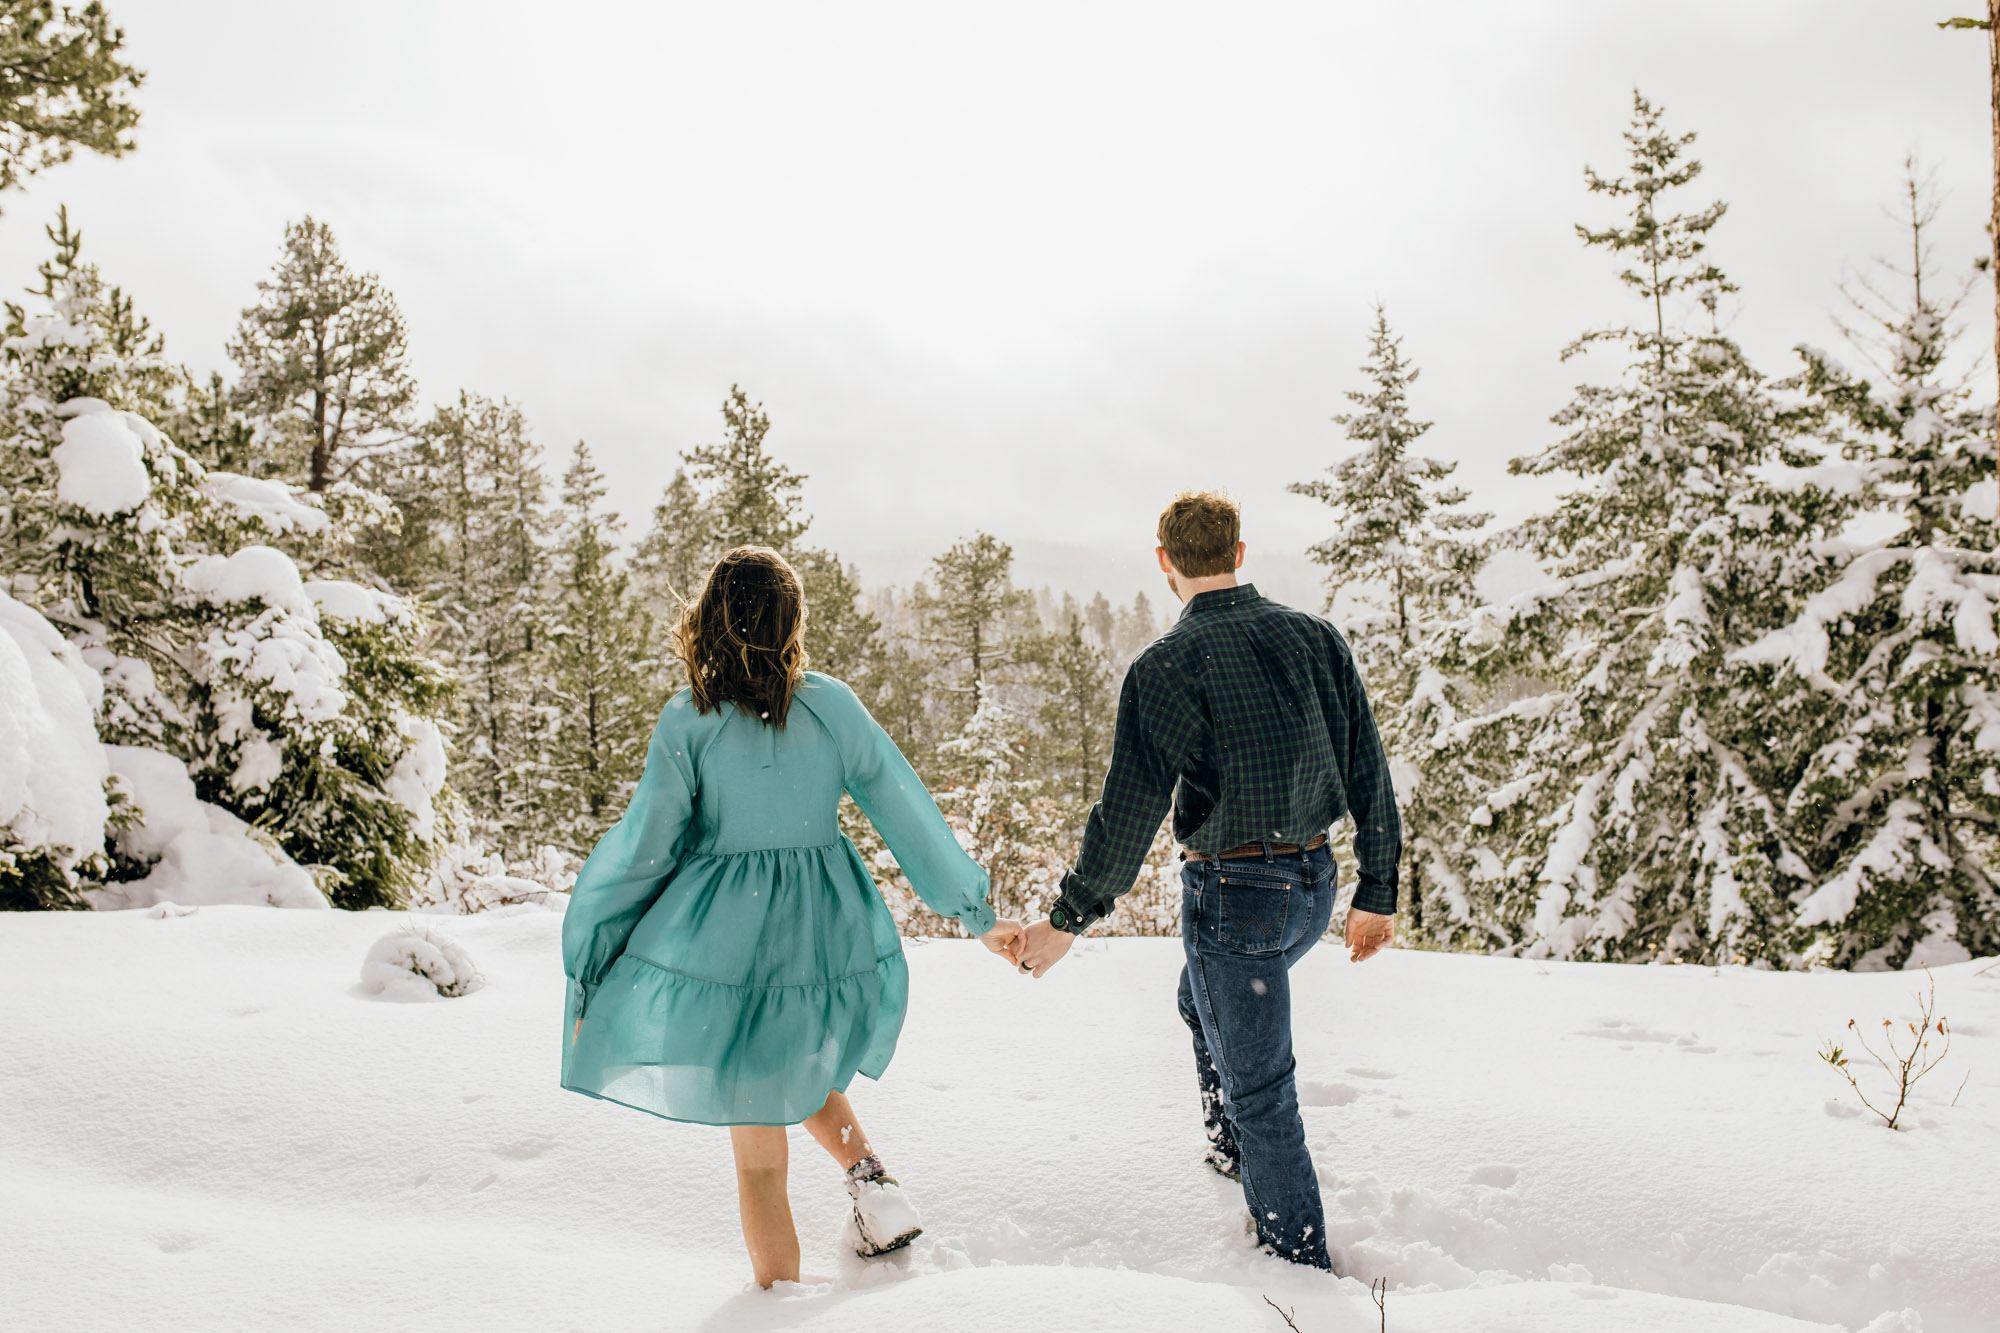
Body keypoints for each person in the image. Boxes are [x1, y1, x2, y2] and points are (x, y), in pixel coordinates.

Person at [560, 545, 1024, 1289]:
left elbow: (644, 849)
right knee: (793, 1060)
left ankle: (777, 1303)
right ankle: (873, 1181)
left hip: (725, 935)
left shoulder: (691, 720)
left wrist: (592, 966)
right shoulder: (832, 705)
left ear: (708, 623)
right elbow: (904, 807)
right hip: (821, 921)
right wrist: (976, 913)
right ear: (792, 621)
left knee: (759, 1157)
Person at [1014, 490, 1401, 1271]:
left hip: (1236, 898)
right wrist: (1376, 890)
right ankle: (1234, 1151)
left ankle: (1300, 1266)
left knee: (1264, 1087)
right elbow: (1369, 768)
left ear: (1165, 562)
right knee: (1203, 999)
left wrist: (1065, 922)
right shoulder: (1316, 639)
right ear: (1239, 552)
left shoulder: (1166, 666)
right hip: (1314, 888)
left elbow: (1126, 813)